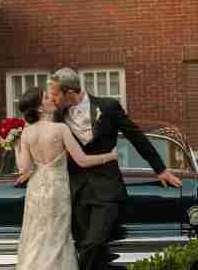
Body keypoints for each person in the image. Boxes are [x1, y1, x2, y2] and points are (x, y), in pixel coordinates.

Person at [47, 67, 182, 270]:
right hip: (75, 192)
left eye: (55, 94)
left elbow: (136, 137)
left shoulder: (108, 107)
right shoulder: (58, 116)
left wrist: (160, 169)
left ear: (69, 93)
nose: (52, 98)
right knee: (87, 248)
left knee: (93, 243)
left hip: (106, 189)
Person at [14, 87, 118, 270]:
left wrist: (16, 147)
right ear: (39, 108)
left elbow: (25, 169)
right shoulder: (60, 129)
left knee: (36, 236)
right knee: (58, 237)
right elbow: (82, 161)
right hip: (57, 188)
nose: (51, 99)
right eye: (46, 97)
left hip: (36, 189)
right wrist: (110, 156)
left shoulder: (27, 133)